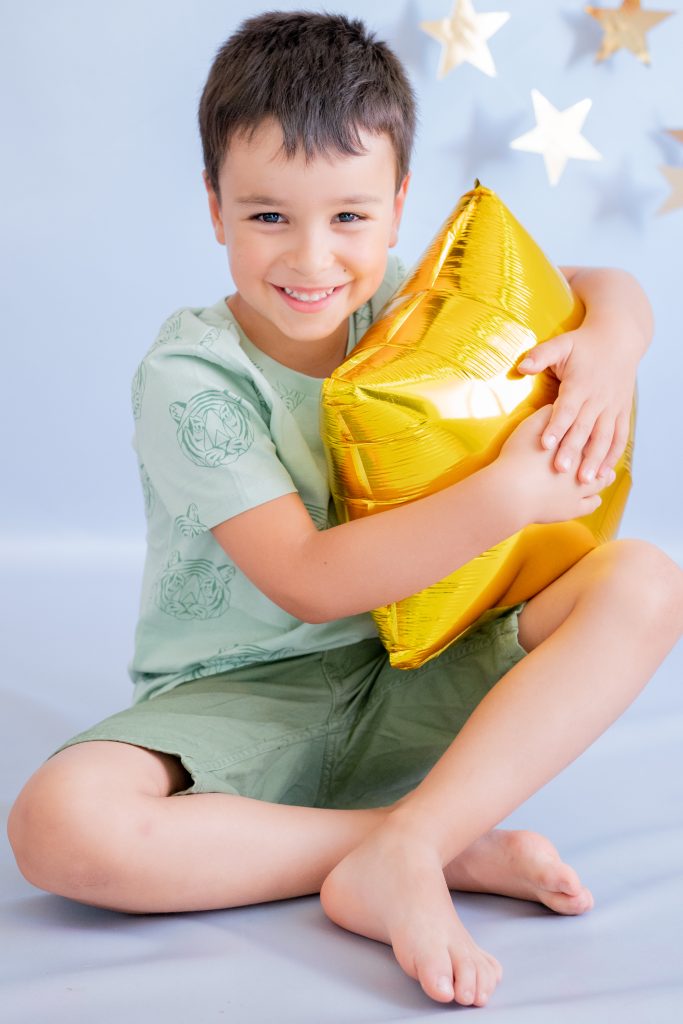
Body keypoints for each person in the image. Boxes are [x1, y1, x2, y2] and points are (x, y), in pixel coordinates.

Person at [8, 10, 683, 1010]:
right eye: (269, 216)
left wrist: (612, 345)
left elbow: (600, 282)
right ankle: (424, 845)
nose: (312, 261)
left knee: (643, 577)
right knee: (57, 826)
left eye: (349, 218)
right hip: (244, 696)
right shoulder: (188, 373)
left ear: (398, 204)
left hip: (409, 669)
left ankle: (411, 836)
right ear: (214, 208)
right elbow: (308, 581)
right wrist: (504, 497)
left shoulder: (407, 300)